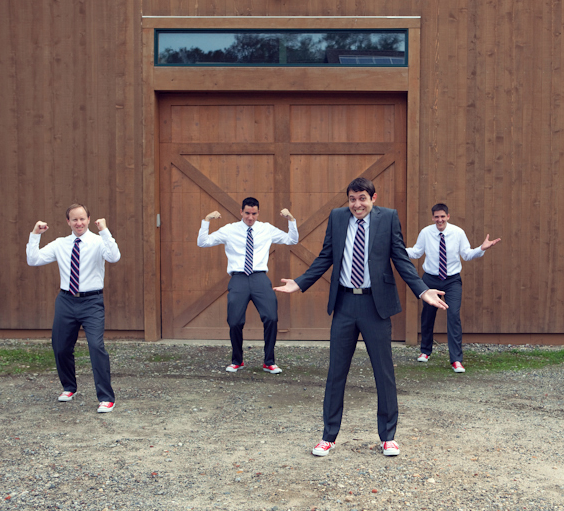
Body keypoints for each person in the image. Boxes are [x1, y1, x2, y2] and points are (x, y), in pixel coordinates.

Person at [274, 177, 448, 457]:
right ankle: (328, 436)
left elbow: (400, 259)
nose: (357, 204)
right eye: (352, 199)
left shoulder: (388, 219)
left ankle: (388, 437)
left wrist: (422, 290)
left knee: (384, 372)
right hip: (344, 303)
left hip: (375, 305)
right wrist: (301, 281)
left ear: (373, 198)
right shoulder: (337, 217)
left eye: (362, 199)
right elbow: (326, 256)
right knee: (336, 373)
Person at [26, 203, 121, 413]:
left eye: (82, 219)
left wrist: (105, 231)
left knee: (96, 347)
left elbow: (114, 257)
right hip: (66, 301)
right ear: (68, 222)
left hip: (92, 302)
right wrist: (35, 234)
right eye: (74, 219)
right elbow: (33, 260)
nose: (79, 223)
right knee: (60, 347)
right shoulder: (60, 244)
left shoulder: (98, 242)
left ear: (89, 219)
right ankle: (69, 387)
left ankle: (106, 397)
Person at [198, 198, 297, 374]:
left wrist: (291, 220)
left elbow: (291, 240)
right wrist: (206, 220)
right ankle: (237, 360)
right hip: (239, 278)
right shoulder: (229, 230)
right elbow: (203, 242)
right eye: (247, 213)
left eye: (254, 213)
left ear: (258, 213)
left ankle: (269, 361)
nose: (250, 217)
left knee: (271, 318)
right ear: (241, 212)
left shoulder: (266, 229)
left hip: (259, 277)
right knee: (235, 321)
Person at [406, 203, 501, 372]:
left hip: (452, 281)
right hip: (430, 280)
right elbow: (416, 252)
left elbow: (466, 254)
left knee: (453, 316)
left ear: (448, 216)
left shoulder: (458, 233)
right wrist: (397, 250)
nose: (440, 219)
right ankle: (425, 351)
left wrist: (481, 249)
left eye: (443, 216)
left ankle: (456, 360)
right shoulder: (426, 233)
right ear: (433, 217)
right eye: (436, 217)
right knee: (427, 315)